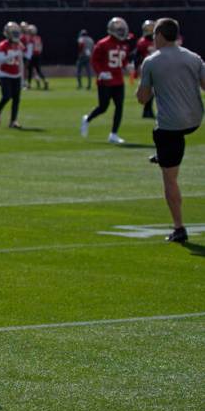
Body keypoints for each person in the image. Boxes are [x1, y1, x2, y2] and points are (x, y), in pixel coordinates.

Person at [136, 18, 204, 243]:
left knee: (170, 178)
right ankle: (162, 154)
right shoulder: (194, 58)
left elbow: (143, 98)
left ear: (160, 35)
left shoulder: (151, 61)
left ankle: (179, 227)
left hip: (170, 126)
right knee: (167, 140)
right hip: (194, 120)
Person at [82, 17, 131, 144]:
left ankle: (113, 134)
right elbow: (94, 60)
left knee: (119, 107)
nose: (121, 32)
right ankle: (87, 119)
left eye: (122, 30)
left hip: (118, 80)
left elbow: (123, 60)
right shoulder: (102, 43)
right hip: (106, 80)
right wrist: (100, 72)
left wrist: (127, 66)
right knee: (103, 107)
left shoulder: (124, 44)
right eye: (119, 30)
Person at [0, 21, 25, 128]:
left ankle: (13, 121)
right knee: (7, 96)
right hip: (5, 74)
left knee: (16, 99)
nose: (16, 34)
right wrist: (13, 54)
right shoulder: (2, 45)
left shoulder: (19, 45)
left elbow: (21, 62)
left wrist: (22, 78)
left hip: (16, 74)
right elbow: (0, 60)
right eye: (13, 32)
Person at [134, 20, 156, 119]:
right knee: (149, 90)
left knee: (152, 91)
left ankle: (148, 111)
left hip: (155, 68)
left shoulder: (156, 41)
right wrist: (136, 69)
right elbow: (137, 57)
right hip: (146, 68)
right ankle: (147, 111)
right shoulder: (142, 42)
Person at [25, 24, 48, 90]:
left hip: (32, 56)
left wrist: (28, 58)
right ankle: (45, 80)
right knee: (38, 70)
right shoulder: (38, 38)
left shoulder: (30, 39)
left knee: (30, 71)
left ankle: (28, 85)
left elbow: (29, 50)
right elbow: (40, 48)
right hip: (38, 55)